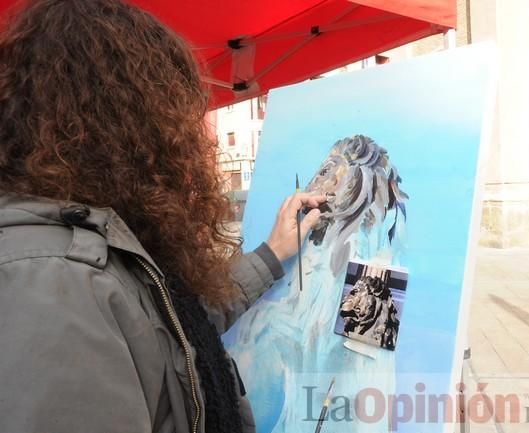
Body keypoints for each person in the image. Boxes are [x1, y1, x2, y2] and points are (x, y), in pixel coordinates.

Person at [0, 1, 324, 433]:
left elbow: (174, 329)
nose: (189, 142)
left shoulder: (97, 242)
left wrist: (271, 254)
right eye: (178, 117)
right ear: (131, 124)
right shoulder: (52, 280)